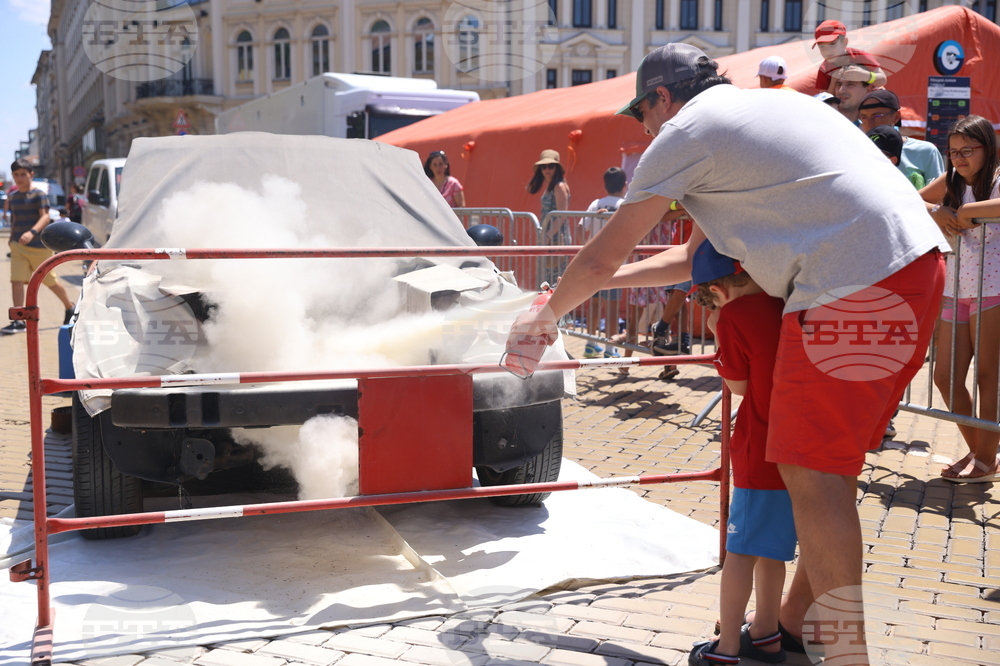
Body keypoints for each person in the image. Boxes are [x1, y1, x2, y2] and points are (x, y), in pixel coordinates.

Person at [505, 43, 947, 664]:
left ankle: (850, 657)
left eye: (643, 113)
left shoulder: (687, 130)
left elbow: (605, 252)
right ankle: (794, 626)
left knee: (815, 479)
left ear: (662, 96)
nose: (647, 128)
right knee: (826, 472)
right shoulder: (760, 113)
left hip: (853, 283)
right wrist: (576, 290)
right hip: (913, 268)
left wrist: (544, 319)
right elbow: (685, 259)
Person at [688, 240, 795, 666]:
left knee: (740, 552)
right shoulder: (781, 301)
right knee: (773, 548)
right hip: (792, 446)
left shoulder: (732, 316)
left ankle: (727, 646)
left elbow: (738, 387)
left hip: (757, 444)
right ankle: (767, 632)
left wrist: (718, 329)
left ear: (717, 290)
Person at [921, 115, 1000, 482]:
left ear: (988, 148)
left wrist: (966, 212)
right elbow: (911, 201)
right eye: (953, 152)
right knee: (945, 377)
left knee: (988, 378)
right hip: (954, 291)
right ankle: (983, 453)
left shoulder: (997, 179)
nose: (959, 158)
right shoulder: (951, 180)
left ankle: (984, 460)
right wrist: (937, 212)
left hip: (993, 291)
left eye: (968, 150)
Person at [3, 159, 75, 334]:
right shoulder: (13, 197)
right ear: (12, 176)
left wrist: (32, 232)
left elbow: (44, 217)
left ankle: (70, 307)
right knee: (16, 280)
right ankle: (19, 319)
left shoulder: (39, 195)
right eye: (16, 175)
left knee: (51, 282)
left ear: (31, 175)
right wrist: (12, 239)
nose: (19, 178)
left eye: (23, 175)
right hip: (18, 246)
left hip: (39, 247)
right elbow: (15, 221)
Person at [858, 89, 945, 190]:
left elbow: (938, 194)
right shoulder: (855, 150)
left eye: (877, 116)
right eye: (864, 117)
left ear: (896, 117)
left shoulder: (925, 151)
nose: (870, 123)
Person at [580, 167, 625, 358]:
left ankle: (591, 344)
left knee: (595, 303)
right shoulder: (625, 204)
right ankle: (609, 348)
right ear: (624, 185)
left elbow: (581, 228)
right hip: (615, 263)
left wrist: (585, 250)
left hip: (594, 261)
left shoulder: (595, 203)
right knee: (612, 307)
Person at [528, 149, 571, 285]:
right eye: (543, 167)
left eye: (550, 166)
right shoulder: (551, 186)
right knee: (547, 277)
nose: (547, 170)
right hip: (549, 236)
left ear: (557, 168)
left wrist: (547, 236)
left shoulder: (559, 186)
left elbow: (561, 215)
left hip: (557, 237)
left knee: (556, 279)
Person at [812, 19, 886, 94]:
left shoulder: (859, 56)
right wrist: (834, 81)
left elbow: (883, 80)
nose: (827, 51)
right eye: (822, 47)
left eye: (832, 44)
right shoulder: (824, 69)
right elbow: (825, 101)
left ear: (844, 42)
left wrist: (865, 76)